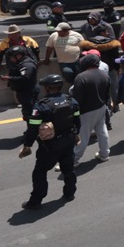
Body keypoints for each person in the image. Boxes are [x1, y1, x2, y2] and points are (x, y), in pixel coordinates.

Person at [18, 74, 80, 209]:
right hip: (68, 141)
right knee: (68, 169)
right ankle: (70, 193)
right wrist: (76, 135)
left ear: (46, 88)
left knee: (39, 172)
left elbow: (33, 128)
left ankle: (35, 201)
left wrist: (27, 145)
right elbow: (77, 120)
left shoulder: (41, 106)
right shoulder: (71, 100)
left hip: (50, 146)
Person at [70, 55, 111, 163]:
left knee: (83, 137)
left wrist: (74, 112)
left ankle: (74, 159)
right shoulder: (104, 75)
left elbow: (76, 99)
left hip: (86, 111)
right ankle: (104, 154)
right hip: (101, 107)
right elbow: (107, 94)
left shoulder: (81, 77)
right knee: (102, 131)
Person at [0, 46, 40, 121]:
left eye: (12, 57)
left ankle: (33, 130)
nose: (11, 59)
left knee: (31, 114)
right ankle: (33, 129)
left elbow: (25, 78)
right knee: (28, 113)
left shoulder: (27, 65)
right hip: (24, 92)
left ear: (18, 56)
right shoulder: (20, 64)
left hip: (28, 92)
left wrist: (9, 78)